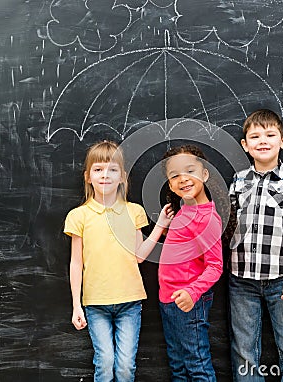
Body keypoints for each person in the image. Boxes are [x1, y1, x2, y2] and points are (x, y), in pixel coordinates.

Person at [63, 140, 173, 382]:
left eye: (112, 170)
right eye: (98, 169)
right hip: (95, 303)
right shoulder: (79, 216)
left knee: (125, 367)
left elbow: (138, 255)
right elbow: (75, 263)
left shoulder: (134, 211)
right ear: (88, 177)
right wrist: (75, 305)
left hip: (130, 302)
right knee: (105, 364)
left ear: (122, 177)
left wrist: (160, 227)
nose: (105, 175)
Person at [228, 109, 283, 381]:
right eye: (254, 136)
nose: (262, 141)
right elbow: (227, 228)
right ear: (245, 145)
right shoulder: (237, 182)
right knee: (244, 349)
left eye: (270, 134)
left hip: (282, 279)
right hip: (241, 280)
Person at [158, 144, 223, 381]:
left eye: (190, 171)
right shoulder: (185, 211)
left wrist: (191, 292)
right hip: (169, 299)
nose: (182, 179)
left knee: (197, 365)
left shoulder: (207, 218)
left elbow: (215, 266)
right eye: (174, 175)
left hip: (189, 301)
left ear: (204, 174)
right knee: (178, 365)